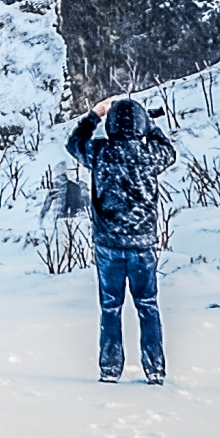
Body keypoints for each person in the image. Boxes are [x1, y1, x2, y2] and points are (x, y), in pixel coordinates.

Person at [69, 96, 175, 384]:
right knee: (148, 306)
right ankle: (154, 370)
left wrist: (94, 115)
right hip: (143, 245)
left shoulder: (100, 153)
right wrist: (149, 124)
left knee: (111, 307)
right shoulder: (149, 156)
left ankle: (110, 369)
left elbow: (74, 142)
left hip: (108, 245)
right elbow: (168, 150)